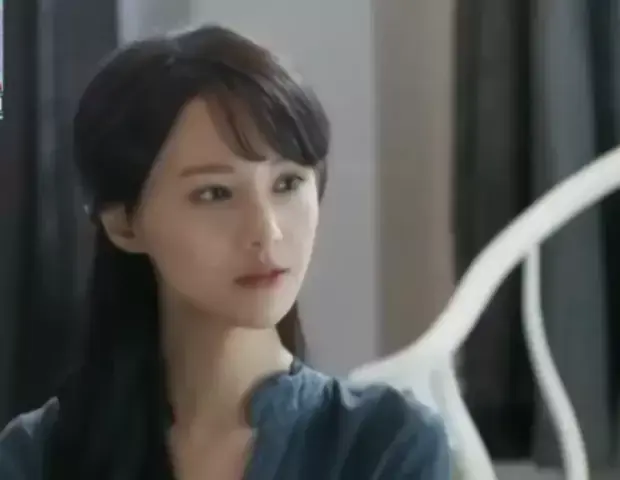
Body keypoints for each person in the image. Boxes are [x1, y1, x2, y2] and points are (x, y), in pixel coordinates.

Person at [0, 25, 451, 479]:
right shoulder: (37, 455)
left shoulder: (385, 444)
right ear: (123, 223)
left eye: (287, 183)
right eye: (215, 193)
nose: (267, 231)